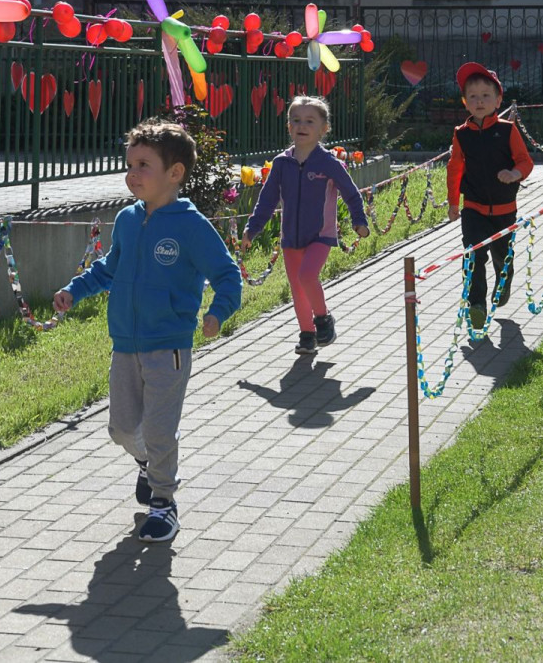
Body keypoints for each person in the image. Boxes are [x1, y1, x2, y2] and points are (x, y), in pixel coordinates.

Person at [53, 119, 241, 543]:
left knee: (158, 430)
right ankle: (149, 464)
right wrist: (75, 290)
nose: (132, 174)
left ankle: (164, 504)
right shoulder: (126, 219)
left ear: (175, 173)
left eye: (143, 165)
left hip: (168, 347)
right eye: (129, 164)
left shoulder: (191, 226)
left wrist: (218, 312)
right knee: (120, 428)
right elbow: (110, 268)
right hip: (125, 344)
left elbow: (228, 274)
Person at [240, 96, 370, 355]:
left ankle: (323, 320)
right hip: (291, 237)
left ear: (324, 129)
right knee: (298, 289)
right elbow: (266, 200)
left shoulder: (329, 163)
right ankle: (307, 335)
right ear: (289, 127)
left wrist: (359, 221)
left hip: (320, 235)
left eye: (310, 121)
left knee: (307, 276)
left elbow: (350, 192)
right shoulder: (281, 163)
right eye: (296, 120)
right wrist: (252, 229)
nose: (302, 125)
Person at [446, 62, 534, 338]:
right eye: (473, 96)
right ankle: (476, 305)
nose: (479, 101)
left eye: (486, 95)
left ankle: (504, 282)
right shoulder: (462, 134)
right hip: (473, 207)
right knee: (473, 254)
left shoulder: (508, 130)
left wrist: (514, 173)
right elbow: (455, 168)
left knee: (501, 256)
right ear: (465, 102)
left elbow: (525, 161)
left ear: (498, 100)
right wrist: (452, 202)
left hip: (504, 209)